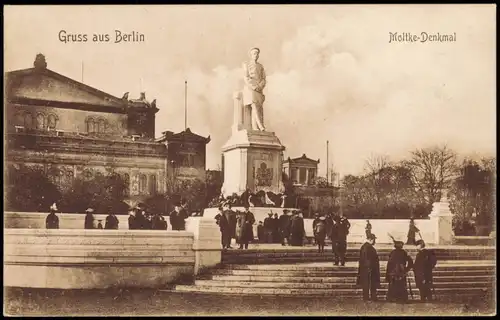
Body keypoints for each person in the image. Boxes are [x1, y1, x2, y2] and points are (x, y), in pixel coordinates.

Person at [386, 237, 414, 303]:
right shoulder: (403, 253)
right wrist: (406, 269)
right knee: (402, 286)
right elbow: (410, 262)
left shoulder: (392, 253)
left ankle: (393, 298)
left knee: (393, 286)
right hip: (401, 272)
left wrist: (388, 274)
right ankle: (402, 299)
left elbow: (389, 265)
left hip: (394, 273)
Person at [357, 234, 381, 301]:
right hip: (370, 269)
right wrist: (370, 267)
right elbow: (367, 259)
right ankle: (372, 297)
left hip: (365, 269)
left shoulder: (364, 247)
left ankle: (366, 297)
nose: (374, 242)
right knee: (371, 283)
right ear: (371, 239)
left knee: (366, 283)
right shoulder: (369, 247)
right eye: (374, 240)